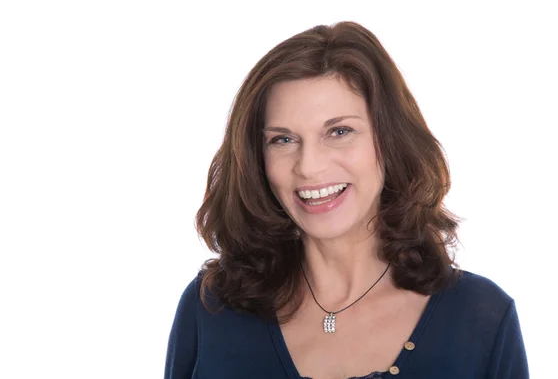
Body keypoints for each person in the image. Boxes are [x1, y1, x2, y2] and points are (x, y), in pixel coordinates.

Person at [164, 21, 529, 379]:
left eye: (339, 131)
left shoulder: (480, 319)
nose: (308, 167)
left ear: (390, 141)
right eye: (283, 140)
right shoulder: (211, 307)